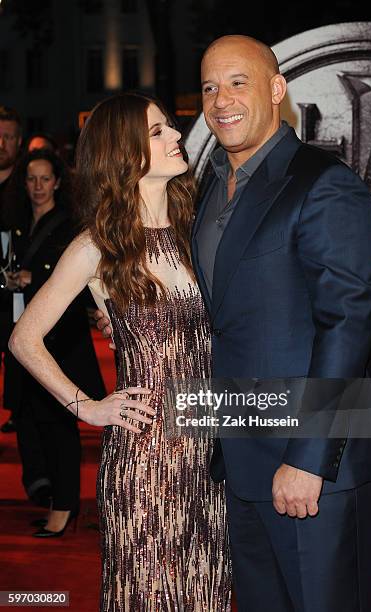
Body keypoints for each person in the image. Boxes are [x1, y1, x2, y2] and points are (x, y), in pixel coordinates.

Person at [92, 35, 371, 611]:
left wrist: (308, 458)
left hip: (314, 470)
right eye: (209, 86)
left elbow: (346, 327)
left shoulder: (323, 184)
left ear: (277, 90)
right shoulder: (207, 192)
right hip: (239, 463)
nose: (221, 99)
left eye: (239, 82)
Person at [9, 94, 231, 610]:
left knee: (208, 593)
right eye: (158, 132)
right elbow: (24, 338)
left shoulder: (196, 229)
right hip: (147, 457)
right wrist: (88, 407)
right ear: (124, 153)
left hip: (209, 453)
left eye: (170, 128)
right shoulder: (97, 246)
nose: (177, 136)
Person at [4, 147, 106, 529]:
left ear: (58, 182)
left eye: (45, 178)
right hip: (26, 336)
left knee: (60, 424)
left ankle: (63, 508)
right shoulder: (18, 224)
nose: (38, 186)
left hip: (63, 341)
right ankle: (45, 488)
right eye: (31, 179)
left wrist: (34, 280)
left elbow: (78, 288)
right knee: (29, 417)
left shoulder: (70, 227)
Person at [0, 106, 22, 434]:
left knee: (18, 352)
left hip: (19, 288)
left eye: (7, 137)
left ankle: (20, 410)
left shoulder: (28, 186)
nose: (1, 143)